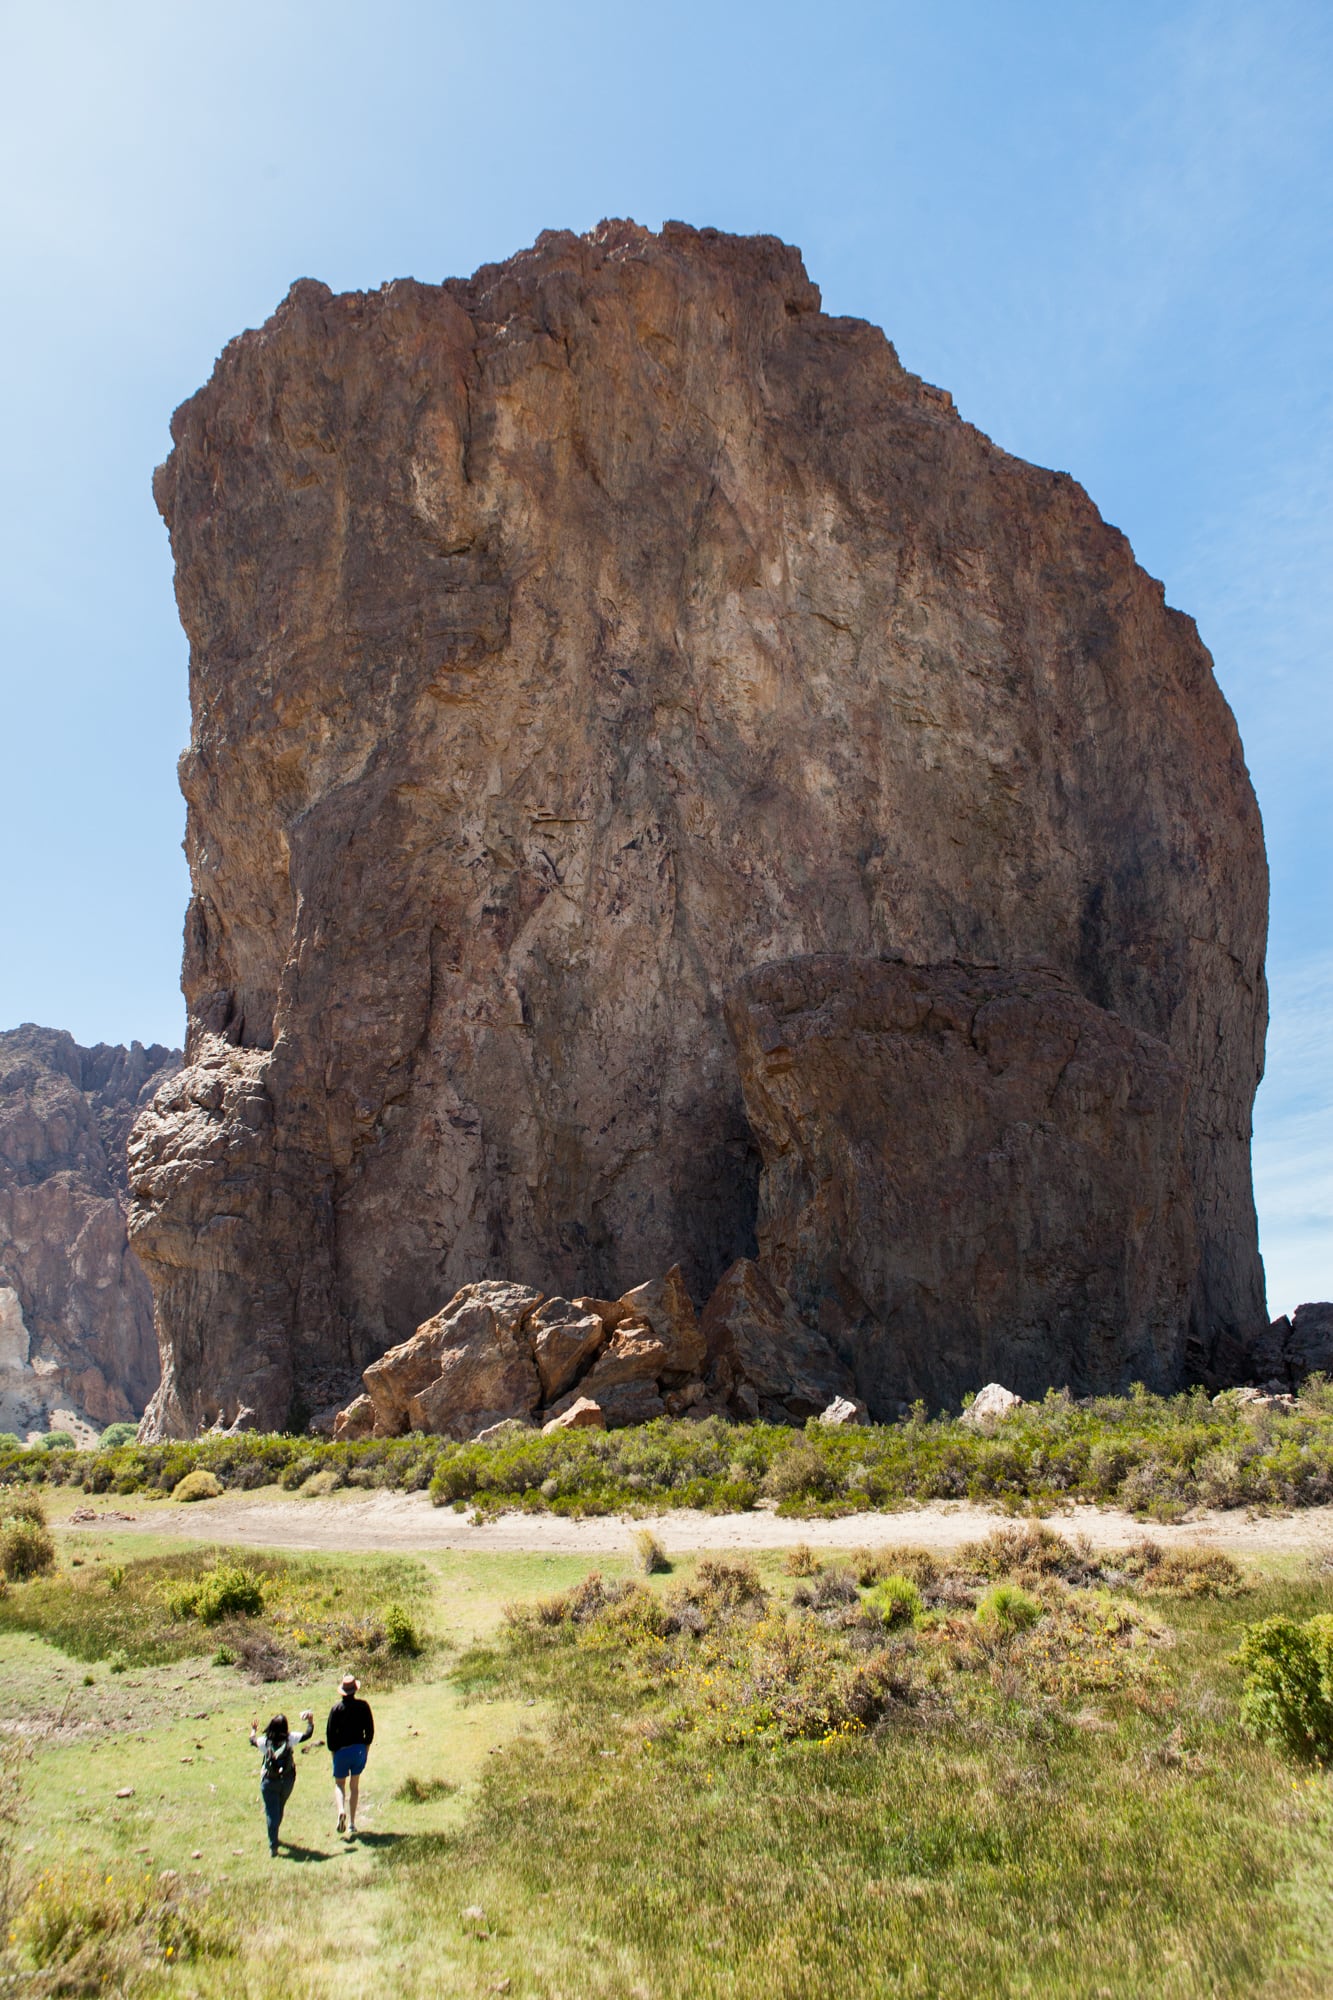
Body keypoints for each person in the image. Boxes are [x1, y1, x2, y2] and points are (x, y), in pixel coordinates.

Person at [249, 1708, 314, 1856]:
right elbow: (308, 1734)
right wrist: (310, 1721)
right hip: (287, 1779)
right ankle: (275, 1834)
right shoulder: (290, 1739)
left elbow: (251, 1740)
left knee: (271, 1812)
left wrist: (253, 1730)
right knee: (279, 1807)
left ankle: (273, 1845)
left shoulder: (264, 1742)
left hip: (268, 1780)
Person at [325, 1671, 375, 1837]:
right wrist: (366, 1747)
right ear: (355, 1690)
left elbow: (330, 1734)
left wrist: (334, 1752)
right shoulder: (363, 1706)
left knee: (339, 1784)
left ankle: (340, 1810)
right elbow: (369, 1730)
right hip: (359, 1749)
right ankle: (352, 1824)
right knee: (354, 1786)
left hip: (341, 1750)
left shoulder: (336, 1709)